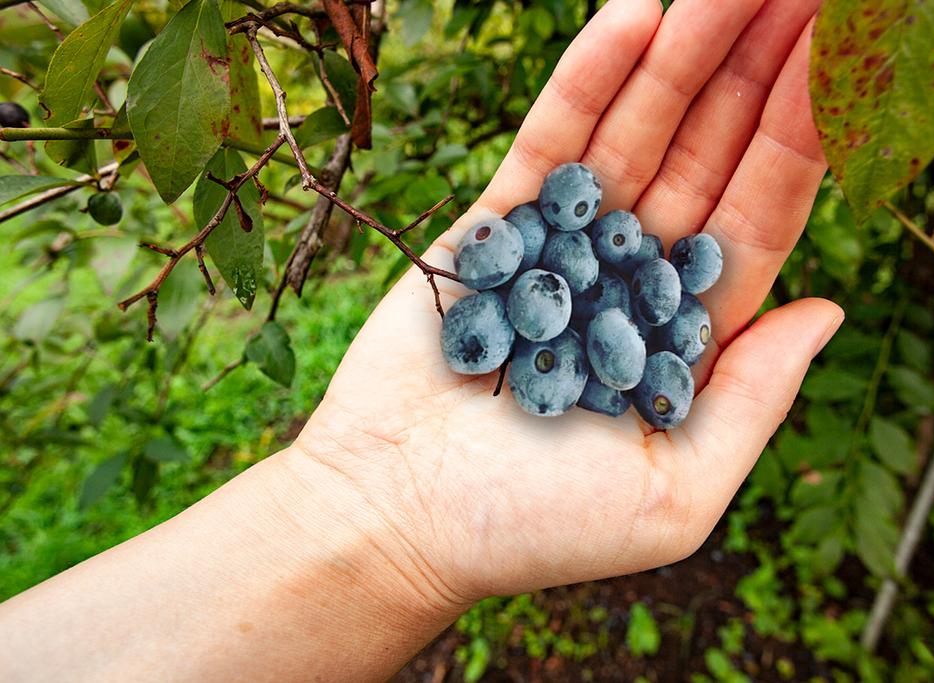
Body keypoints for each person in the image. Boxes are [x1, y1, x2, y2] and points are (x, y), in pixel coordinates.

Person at [0, 0, 842, 679]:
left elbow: (598, 317)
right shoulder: (541, 299)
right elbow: (560, 309)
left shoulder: (612, 301)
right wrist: (385, 510)